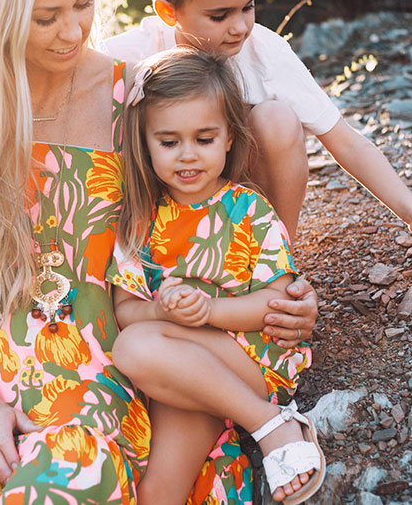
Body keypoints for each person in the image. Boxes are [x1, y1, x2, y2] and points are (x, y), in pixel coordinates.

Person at [0, 0, 318, 504]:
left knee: (70, 481)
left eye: (84, 4)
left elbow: (226, 205)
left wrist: (281, 296)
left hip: (100, 357)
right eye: (46, 17)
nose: (72, 31)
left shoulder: (138, 99)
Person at [101, 0, 412, 266]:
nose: (240, 27)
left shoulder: (263, 50)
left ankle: (272, 263)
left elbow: (344, 139)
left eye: (248, 7)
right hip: (154, 221)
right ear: (169, 12)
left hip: (237, 210)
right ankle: (145, 264)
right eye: (220, 15)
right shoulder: (125, 58)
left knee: (276, 118)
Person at [109, 47, 325, 505]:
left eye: (204, 139)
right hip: (178, 371)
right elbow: (126, 311)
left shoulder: (249, 210)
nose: (187, 156)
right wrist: (162, 308)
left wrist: (208, 310)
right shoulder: (139, 221)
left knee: (134, 346)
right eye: (169, 143)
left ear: (229, 138)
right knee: (157, 492)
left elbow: (278, 300)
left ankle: (271, 423)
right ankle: (260, 421)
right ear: (145, 143)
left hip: (248, 363)